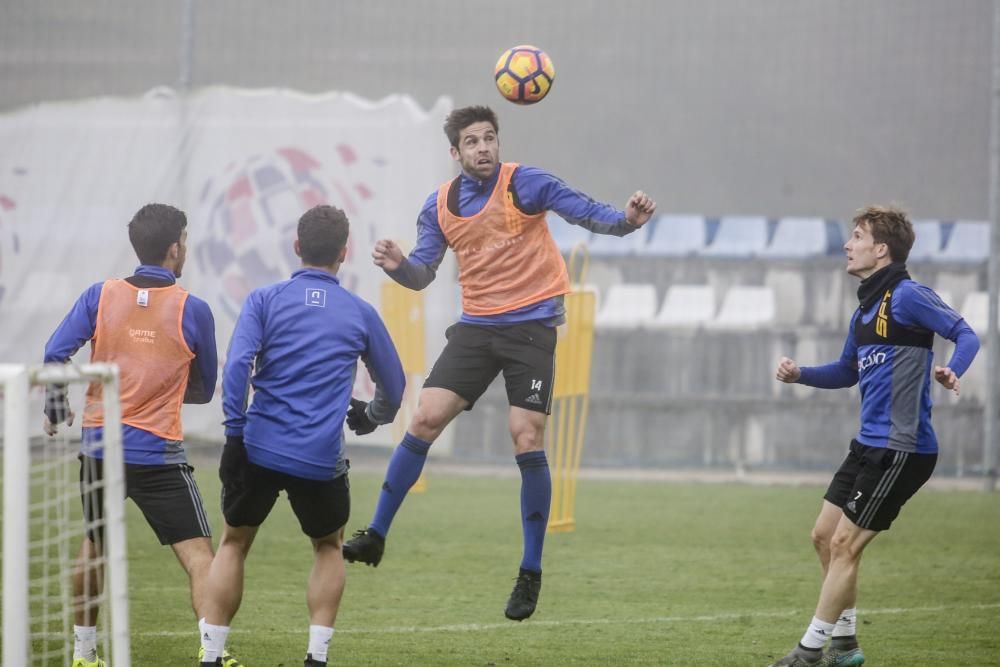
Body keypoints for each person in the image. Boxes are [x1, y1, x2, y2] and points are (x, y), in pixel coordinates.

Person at [342, 104, 657, 621]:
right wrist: (400, 266)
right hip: (478, 327)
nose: (484, 147)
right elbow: (423, 273)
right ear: (455, 152)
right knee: (423, 418)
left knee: (525, 435)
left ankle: (530, 570)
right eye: (472, 141)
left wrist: (626, 221)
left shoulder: (524, 183)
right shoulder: (439, 205)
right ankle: (375, 534)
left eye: (490, 137)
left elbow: (583, 210)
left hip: (531, 328)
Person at [768, 205, 980, 667]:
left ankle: (810, 652)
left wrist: (952, 370)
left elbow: (966, 334)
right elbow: (847, 371)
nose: (848, 245)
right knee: (824, 537)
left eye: (858, 236)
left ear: (880, 250)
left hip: (901, 449)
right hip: (866, 445)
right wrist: (800, 374)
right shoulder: (865, 309)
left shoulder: (907, 296)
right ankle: (845, 646)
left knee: (846, 544)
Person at [198, 204, 405, 667]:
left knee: (233, 544)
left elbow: (236, 369)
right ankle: (316, 657)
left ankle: (210, 656)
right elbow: (395, 386)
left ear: (296, 247)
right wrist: (371, 416)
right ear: (345, 253)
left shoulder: (263, 300)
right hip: (319, 457)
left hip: (258, 448)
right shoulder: (360, 313)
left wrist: (234, 433)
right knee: (328, 546)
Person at [42, 203, 220, 667]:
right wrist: (164, 386)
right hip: (157, 452)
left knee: (94, 544)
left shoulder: (99, 295)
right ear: (175, 248)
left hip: (99, 447)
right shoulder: (192, 309)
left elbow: (54, 352)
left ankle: (83, 653)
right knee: (201, 556)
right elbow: (204, 387)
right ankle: (212, 654)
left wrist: (56, 407)